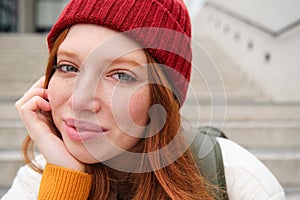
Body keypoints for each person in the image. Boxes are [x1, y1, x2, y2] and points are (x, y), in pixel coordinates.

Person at [2, 0, 286, 199]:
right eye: (68, 67)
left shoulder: (237, 178)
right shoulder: (37, 181)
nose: (79, 100)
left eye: (121, 75)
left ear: (160, 100)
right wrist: (65, 182)